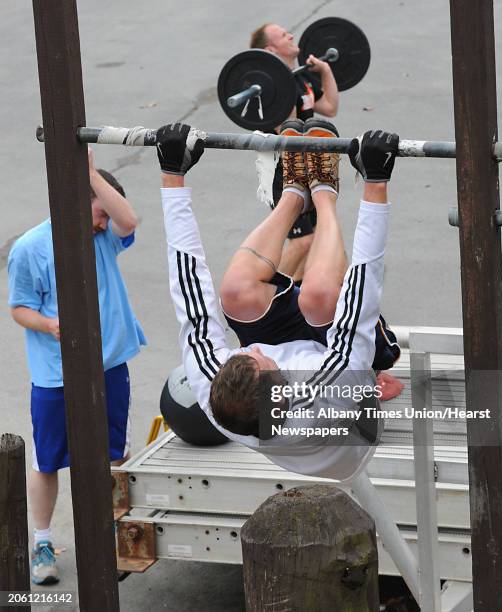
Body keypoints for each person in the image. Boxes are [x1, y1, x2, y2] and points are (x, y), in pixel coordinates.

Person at [156, 120, 399, 482]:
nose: (247, 350)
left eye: (240, 357)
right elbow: (362, 292)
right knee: (319, 297)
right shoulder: (328, 395)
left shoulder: (211, 384)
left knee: (236, 293)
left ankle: (293, 192)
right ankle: (324, 193)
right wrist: (376, 183)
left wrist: (172, 173)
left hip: (293, 365)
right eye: (255, 358)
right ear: (282, 386)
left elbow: (189, 287)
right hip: (352, 419)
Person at [7, 149, 146, 585]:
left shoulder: (106, 235)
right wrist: (49, 324)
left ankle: (107, 535)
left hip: (108, 365)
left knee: (111, 455)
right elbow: (19, 307)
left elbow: (129, 221)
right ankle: (43, 542)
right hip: (55, 374)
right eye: (98, 212)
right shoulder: (30, 248)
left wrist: (89, 174)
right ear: (76, 202)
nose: (105, 223)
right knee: (48, 460)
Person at [250, 23, 339, 283]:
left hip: (309, 165)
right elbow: (284, 128)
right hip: (283, 170)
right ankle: (265, 294)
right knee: (303, 241)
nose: (291, 35)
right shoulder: (267, 86)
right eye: (283, 35)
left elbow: (330, 107)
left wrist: (325, 70)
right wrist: (282, 84)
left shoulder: (299, 77)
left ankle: (293, 295)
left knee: (314, 241)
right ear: (271, 49)